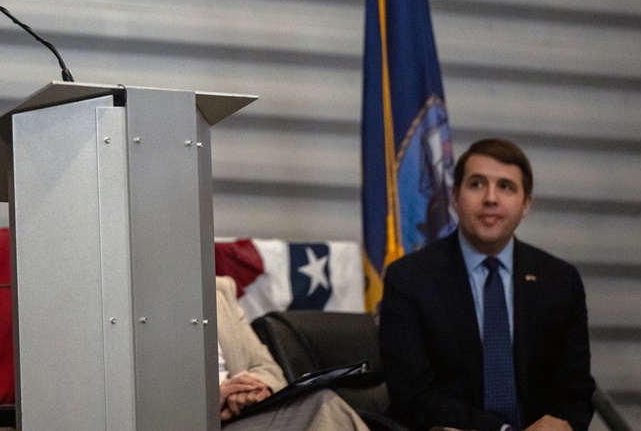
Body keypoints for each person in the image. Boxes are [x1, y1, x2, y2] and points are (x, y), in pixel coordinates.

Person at [378, 139, 595, 431]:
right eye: (477, 184)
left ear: (526, 204)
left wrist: (564, 420)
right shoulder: (410, 279)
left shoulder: (559, 281)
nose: (491, 198)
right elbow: (413, 394)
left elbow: (575, 386)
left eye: (506, 187)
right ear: (455, 197)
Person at [216, 276, 369, 431]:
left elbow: (269, 370)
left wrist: (255, 389)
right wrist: (211, 400)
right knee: (322, 408)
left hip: (244, 414)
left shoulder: (218, 290)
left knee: (323, 401)